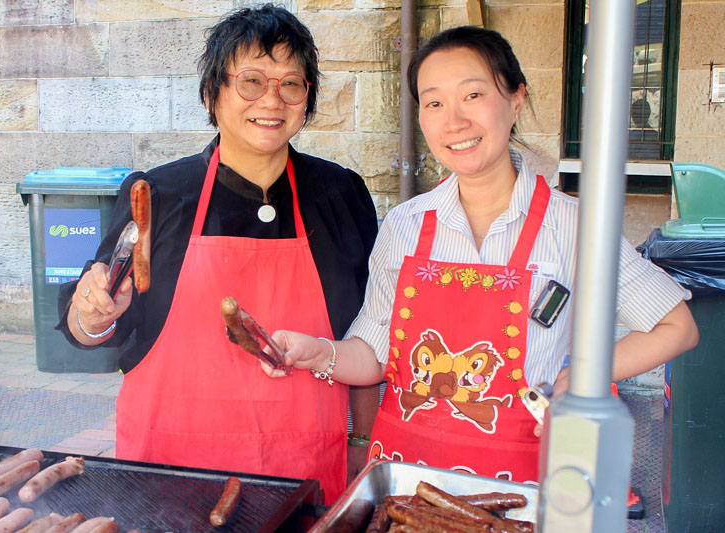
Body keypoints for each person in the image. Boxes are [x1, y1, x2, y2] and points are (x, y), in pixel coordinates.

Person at [262, 25, 698, 484]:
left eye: (473, 95)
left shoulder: (576, 226)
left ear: (515, 99)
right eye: (434, 103)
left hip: (517, 488)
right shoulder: (405, 225)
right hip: (406, 481)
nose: (454, 121)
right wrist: (320, 353)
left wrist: (585, 374)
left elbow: (676, 327)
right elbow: (373, 355)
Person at [56, 4, 378, 503]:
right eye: (250, 80)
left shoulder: (340, 195)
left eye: (291, 83)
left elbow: (369, 334)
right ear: (213, 92)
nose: (272, 99)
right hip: (171, 473)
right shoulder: (157, 196)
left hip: (307, 472)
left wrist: (362, 443)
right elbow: (91, 326)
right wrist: (94, 313)